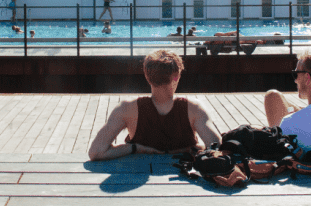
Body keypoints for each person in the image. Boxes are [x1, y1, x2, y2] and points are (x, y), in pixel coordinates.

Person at [88, 49, 221, 160]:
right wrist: (192, 149)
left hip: (135, 174)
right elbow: (217, 147)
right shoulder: (193, 108)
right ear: (176, 76)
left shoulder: (126, 109)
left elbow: (96, 152)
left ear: (146, 76)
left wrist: (135, 148)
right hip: (182, 182)